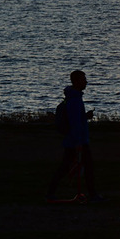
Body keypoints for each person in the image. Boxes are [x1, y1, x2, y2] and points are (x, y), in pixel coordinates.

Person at [47, 70, 104, 202]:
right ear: (77, 81)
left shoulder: (74, 98)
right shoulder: (75, 100)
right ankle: (93, 195)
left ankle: (51, 192)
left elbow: (76, 119)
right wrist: (78, 142)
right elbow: (74, 123)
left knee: (67, 167)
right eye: (84, 79)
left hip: (75, 140)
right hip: (77, 141)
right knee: (82, 168)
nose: (86, 82)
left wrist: (85, 117)